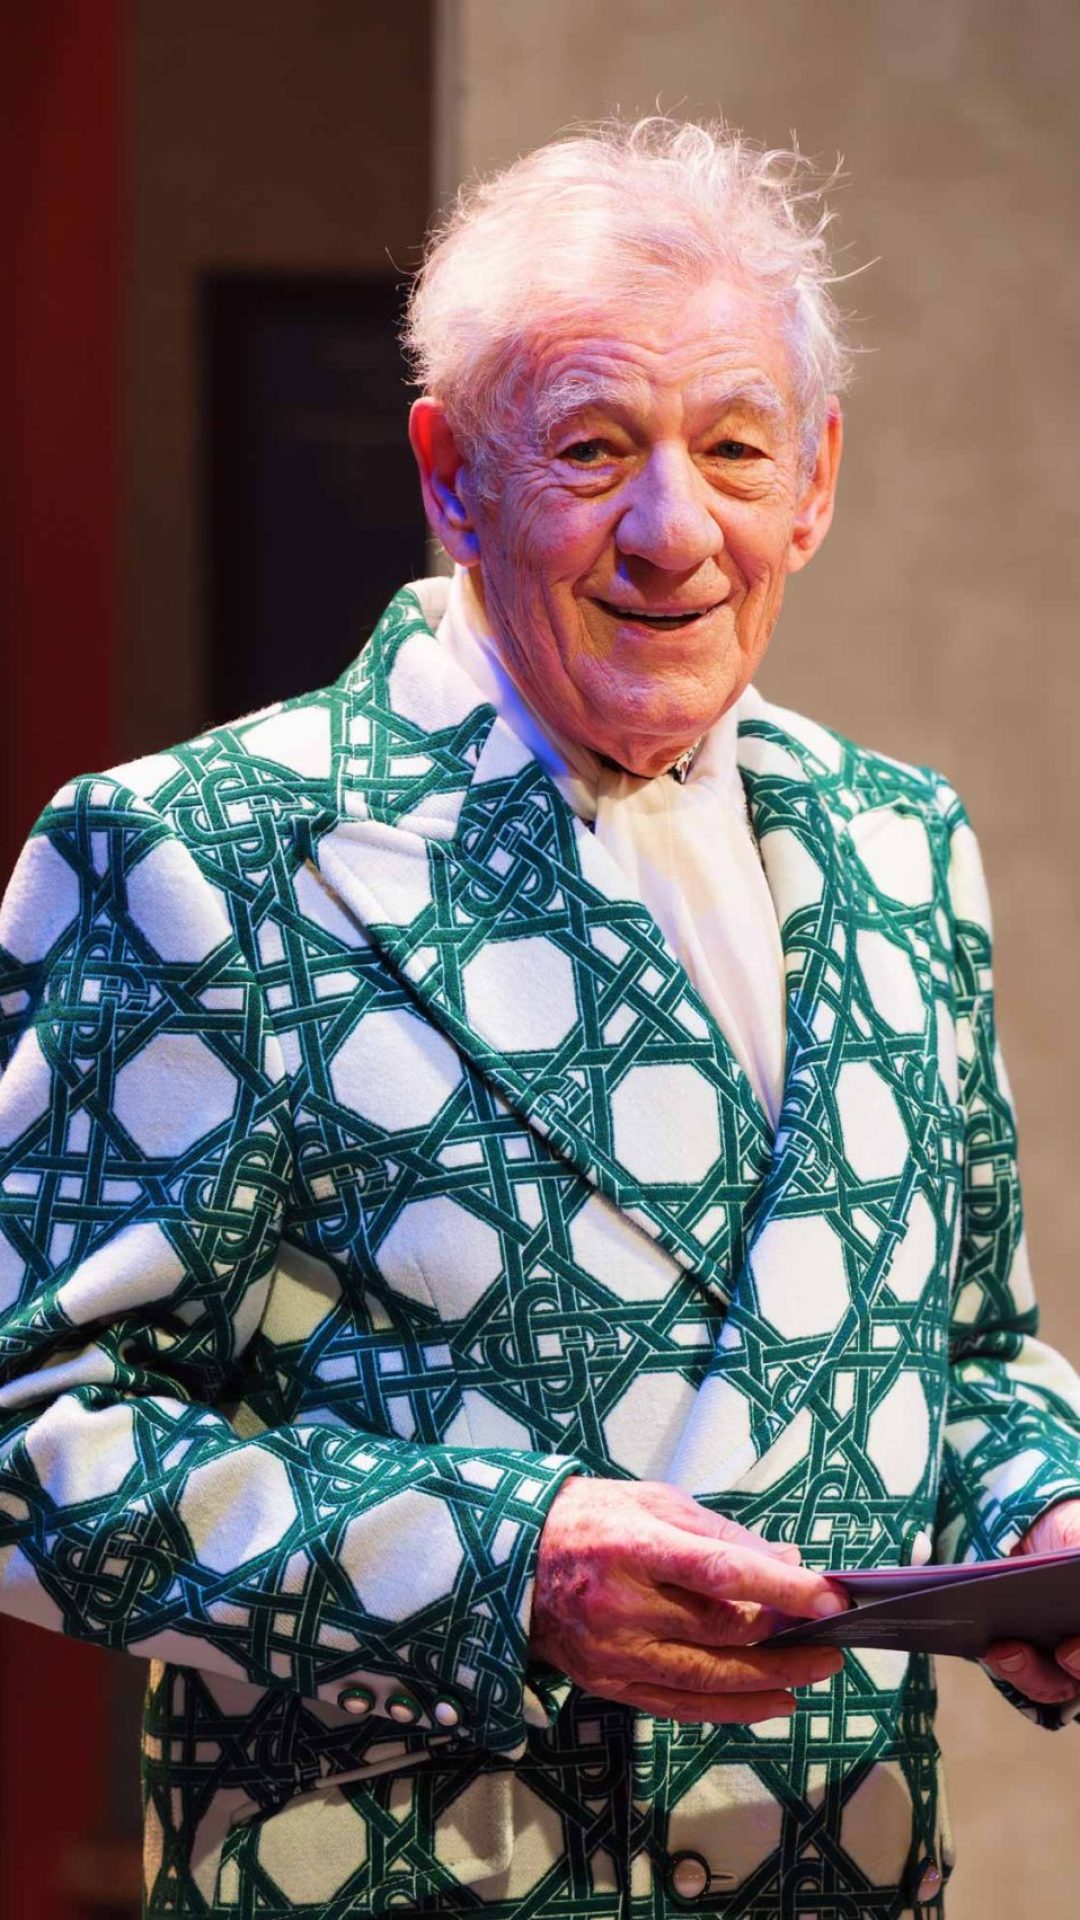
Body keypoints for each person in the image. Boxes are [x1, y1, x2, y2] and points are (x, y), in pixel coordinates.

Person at [1, 115, 1079, 1920]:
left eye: (735, 450)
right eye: (592, 450)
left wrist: (1040, 1520)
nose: (675, 532)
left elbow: (968, 1355)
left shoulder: (904, 845)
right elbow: (35, 1434)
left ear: (814, 477)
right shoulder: (201, 856)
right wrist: (503, 1567)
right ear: (449, 474)